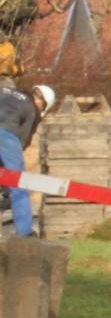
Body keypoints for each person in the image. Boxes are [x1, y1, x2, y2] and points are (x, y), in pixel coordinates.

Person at [0, 83, 55, 238]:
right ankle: (24, 232)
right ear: (41, 103)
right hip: (5, 132)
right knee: (19, 184)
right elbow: (23, 140)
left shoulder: (6, 89)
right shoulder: (32, 110)